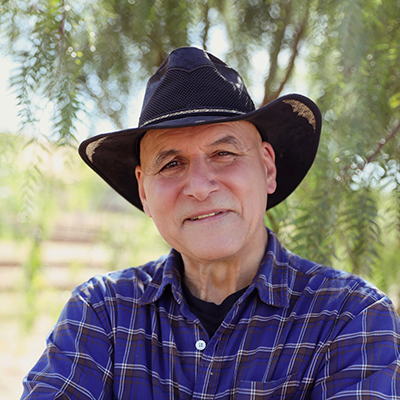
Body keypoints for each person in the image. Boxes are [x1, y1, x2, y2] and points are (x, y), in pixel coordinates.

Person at [21, 47, 400, 399]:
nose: (200, 187)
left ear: (267, 168)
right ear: (144, 191)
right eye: (171, 163)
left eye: (223, 153)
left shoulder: (350, 316)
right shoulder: (102, 311)